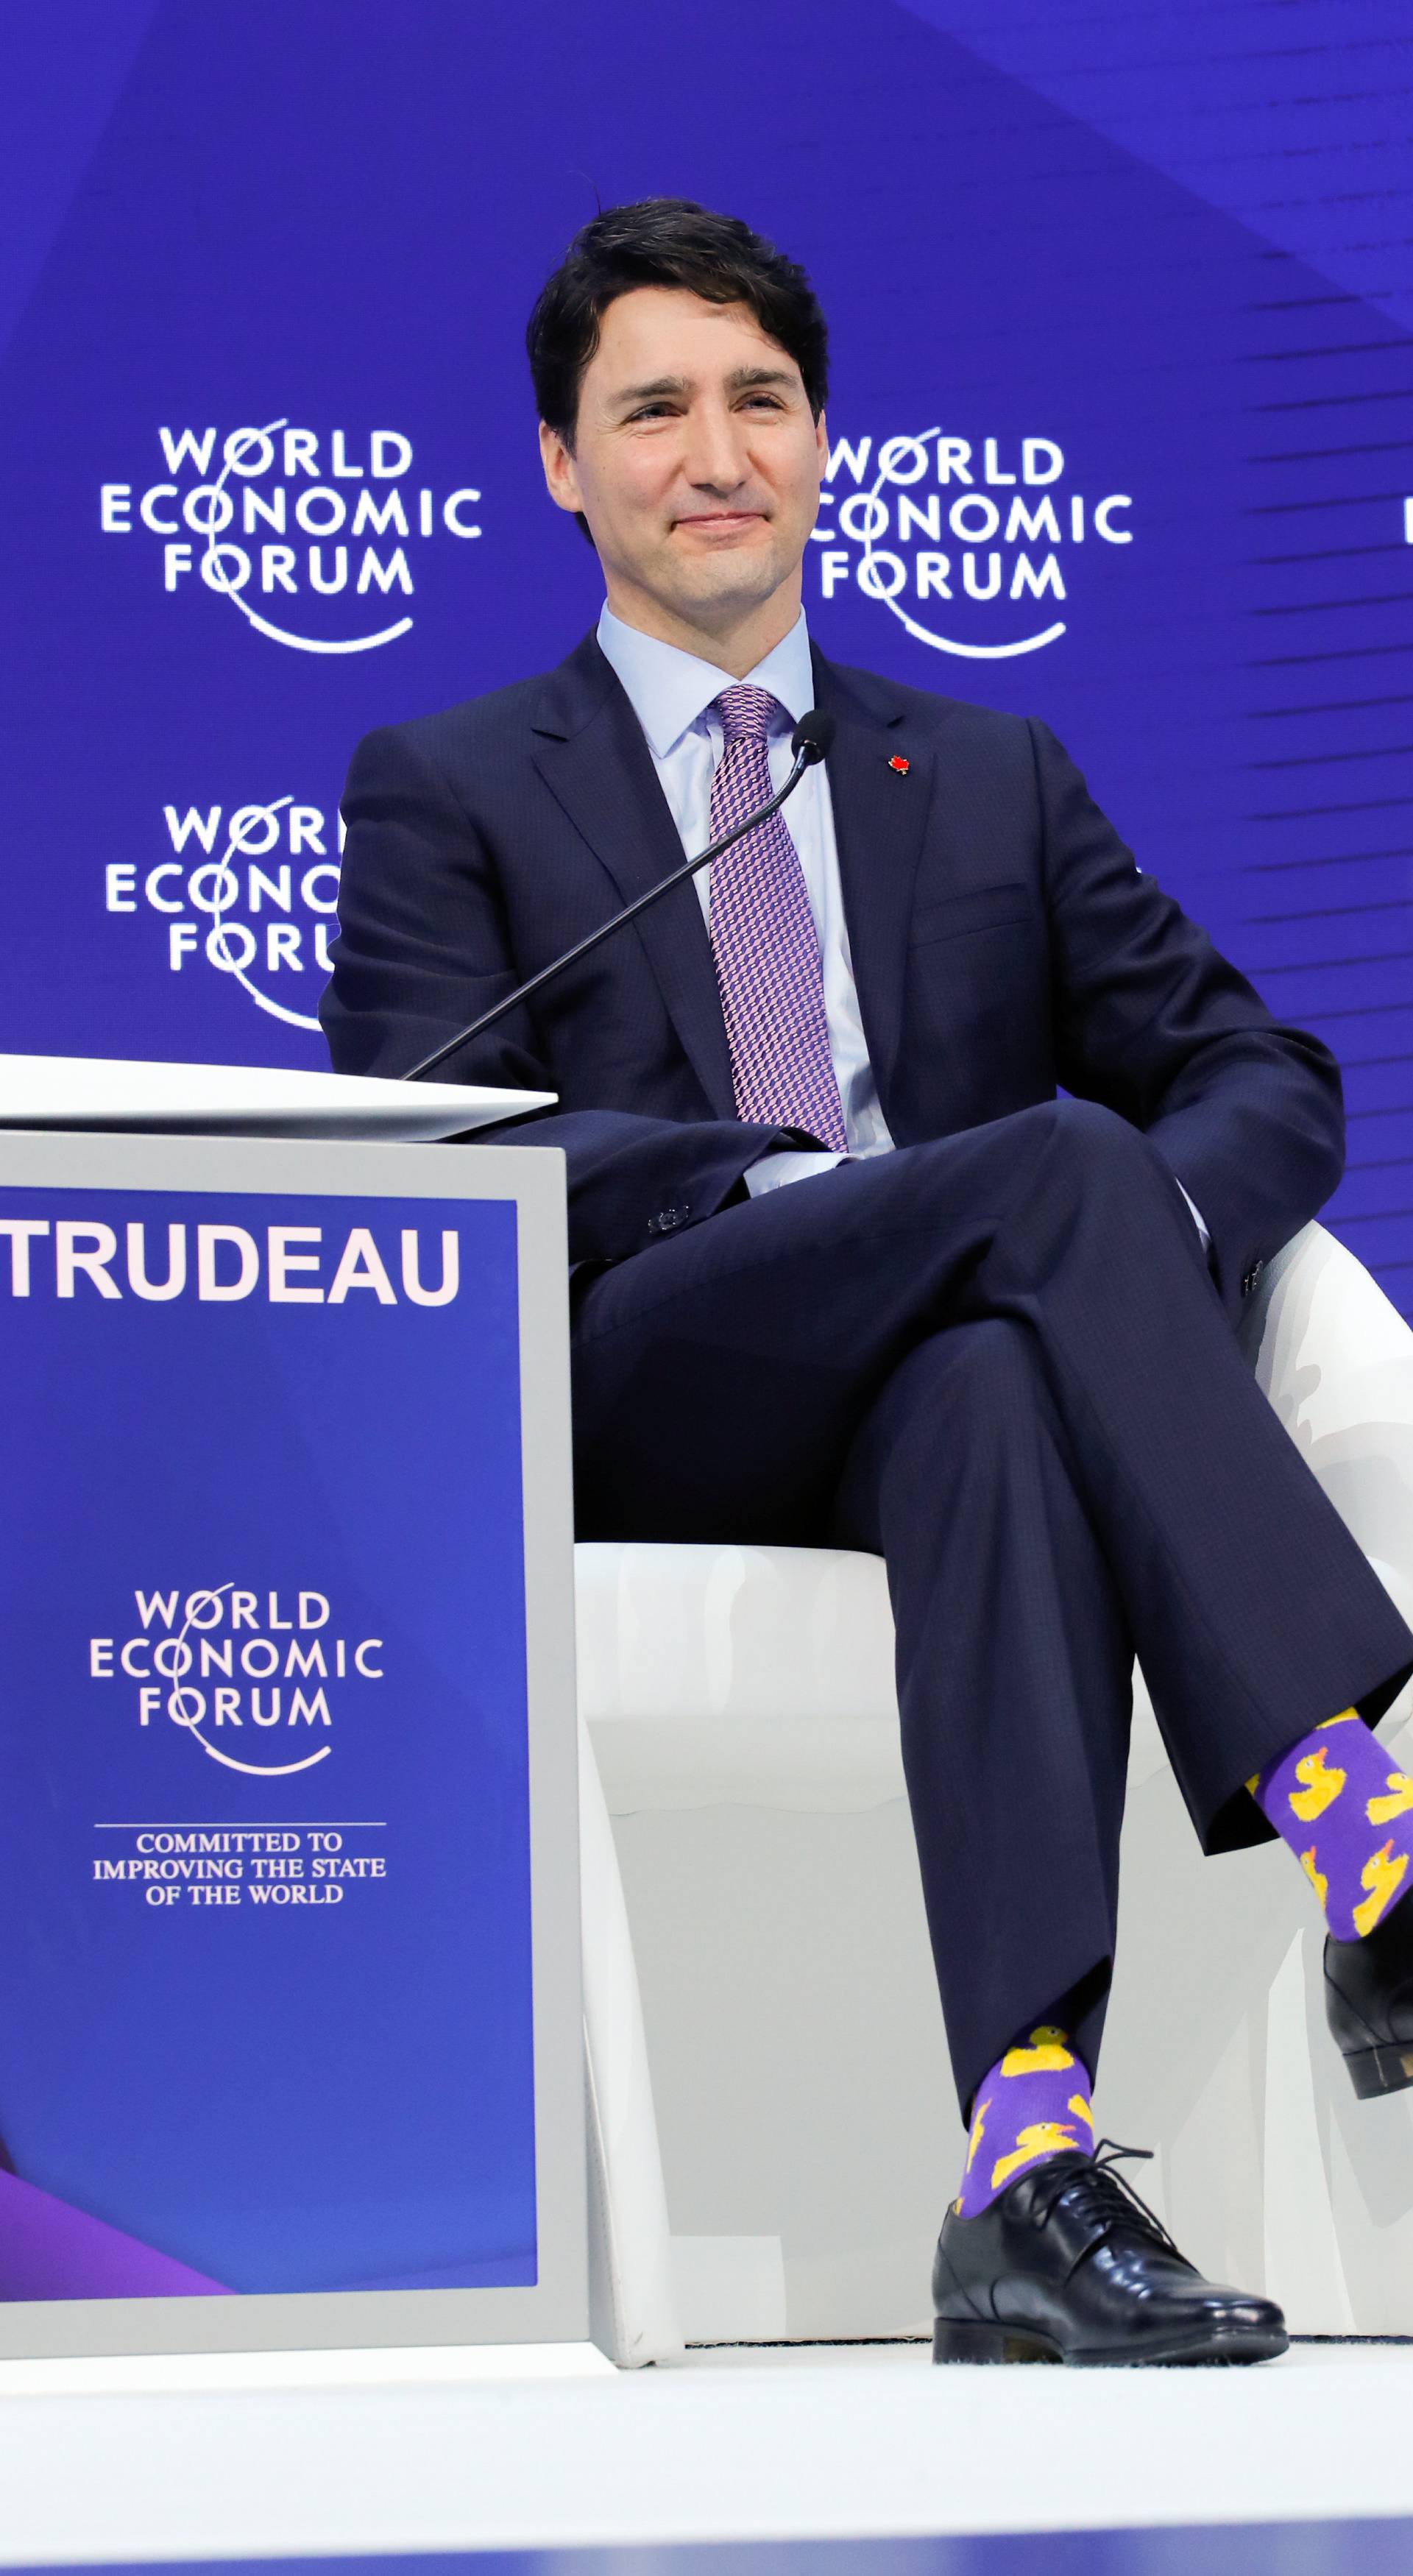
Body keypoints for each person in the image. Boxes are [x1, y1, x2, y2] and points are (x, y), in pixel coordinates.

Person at [322, 199, 1413, 2367]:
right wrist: (808, 1186)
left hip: (952, 1366)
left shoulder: (982, 766)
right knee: (1045, 1192)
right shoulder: (446, 782)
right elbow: (437, 1144)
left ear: (821, 442)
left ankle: (1022, 2165)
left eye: (760, 400)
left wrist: (1128, 1245)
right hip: (651, 1368)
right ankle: (1366, 1837)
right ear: (564, 463)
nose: (714, 448)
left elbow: (1258, 1071)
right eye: (654, 409)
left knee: (1006, 1367)